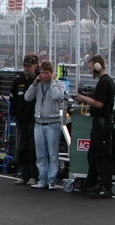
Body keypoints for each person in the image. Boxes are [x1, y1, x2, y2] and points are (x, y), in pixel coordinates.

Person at [74, 54, 115, 199]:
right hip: (99, 122)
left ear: (98, 66)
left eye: (91, 68)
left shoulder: (105, 82)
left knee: (102, 155)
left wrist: (84, 98)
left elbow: (99, 103)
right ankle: (91, 184)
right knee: (93, 154)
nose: (90, 71)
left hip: (102, 121)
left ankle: (106, 187)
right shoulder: (104, 81)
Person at [24, 61, 66, 190]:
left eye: (46, 73)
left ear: (52, 73)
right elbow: (27, 97)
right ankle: (42, 179)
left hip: (53, 123)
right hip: (39, 123)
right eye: (42, 73)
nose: (44, 75)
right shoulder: (38, 85)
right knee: (40, 154)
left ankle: (51, 180)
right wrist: (34, 83)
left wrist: (53, 82)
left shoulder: (59, 84)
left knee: (52, 154)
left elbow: (56, 96)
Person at [9, 54, 40, 186]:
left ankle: (34, 175)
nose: (26, 68)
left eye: (29, 66)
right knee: (22, 148)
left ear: (35, 66)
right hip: (21, 119)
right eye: (25, 66)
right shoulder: (18, 81)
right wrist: (13, 113)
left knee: (33, 148)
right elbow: (12, 99)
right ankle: (24, 174)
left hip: (33, 119)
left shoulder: (38, 81)